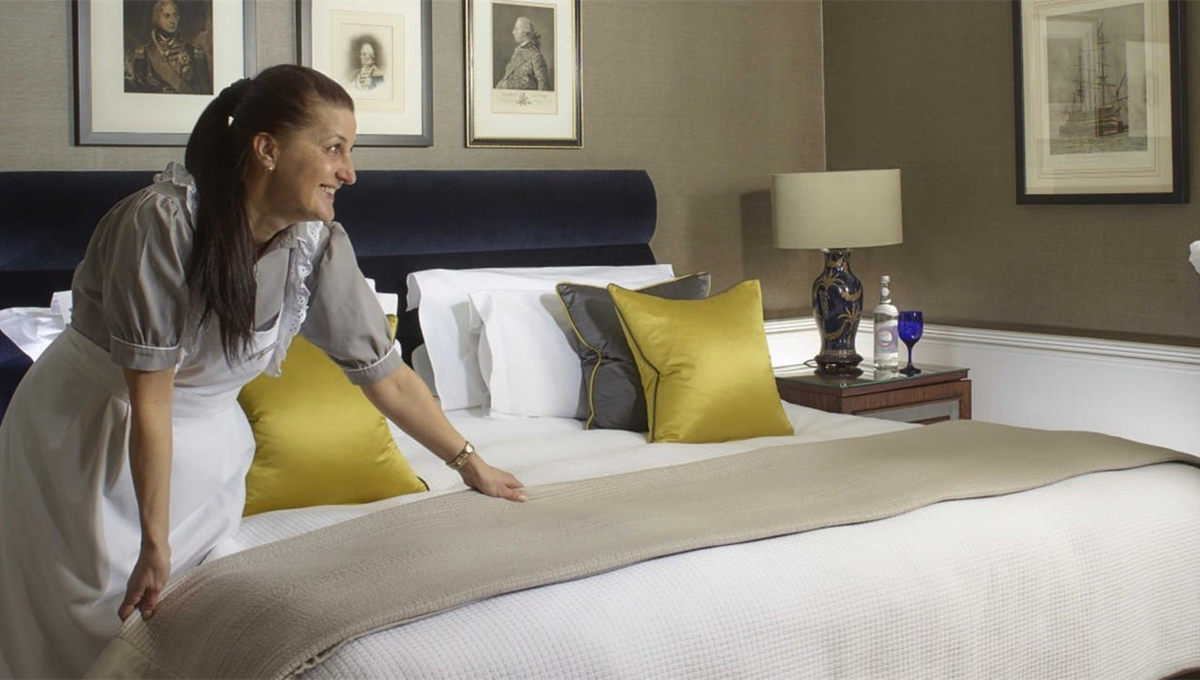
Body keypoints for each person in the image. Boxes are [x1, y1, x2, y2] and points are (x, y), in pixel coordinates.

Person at [0, 64, 525, 678]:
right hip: (89, 446)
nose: (349, 173)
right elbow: (151, 400)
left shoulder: (316, 245)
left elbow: (388, 376)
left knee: (187, 640)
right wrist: (153, 541)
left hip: (206, 463)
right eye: (334, 149)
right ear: (267, 150)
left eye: (350, 152)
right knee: (78, 643)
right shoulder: (163, 224)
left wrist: (470, 464)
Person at [125, 0, 211, 94]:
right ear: (156, 18)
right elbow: (138, 88)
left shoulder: (193, 51)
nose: (172, 21)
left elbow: (204, 90)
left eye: (175, 15)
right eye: (167, 16)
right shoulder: (143, 53)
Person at [495, 17, 550, 91]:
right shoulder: (517, 51)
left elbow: (543, 87)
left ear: (525, 32)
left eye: (516, 29)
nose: (513, 32)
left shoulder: (535, 56)